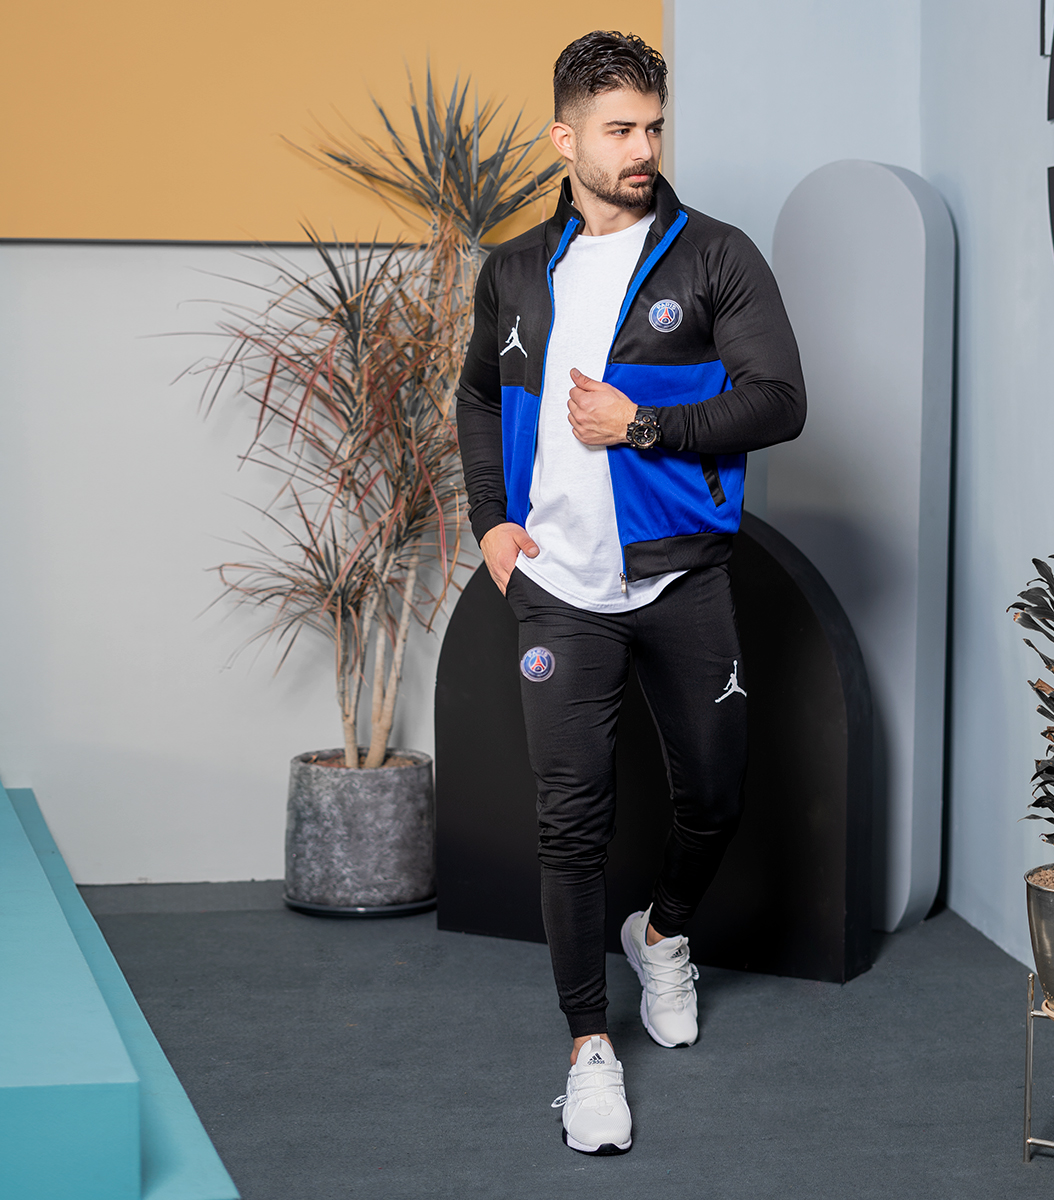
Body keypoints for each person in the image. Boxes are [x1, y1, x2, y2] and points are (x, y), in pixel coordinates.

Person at [455, 29, 805, 1155]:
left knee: (716, 793)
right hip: (557, 589)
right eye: (620, 129)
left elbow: (780, 400)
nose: (643, 147)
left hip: (679, 576)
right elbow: (477, 396)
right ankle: (588, 1051)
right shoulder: (516, 270)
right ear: (566, 140)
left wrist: (642, 423)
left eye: (653, 126)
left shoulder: (714, 256)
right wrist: (490, 520)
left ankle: (661, 935)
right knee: (572, 820)